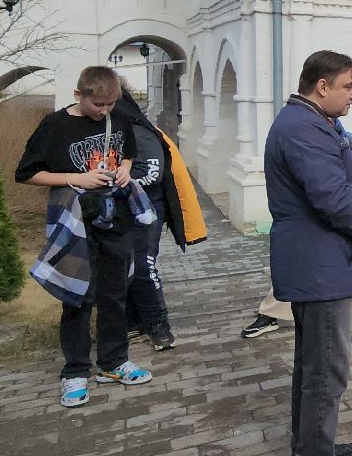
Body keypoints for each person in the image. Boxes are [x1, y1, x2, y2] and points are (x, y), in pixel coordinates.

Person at [267, 49, 352, 456]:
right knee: (327, 367)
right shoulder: (302, 128)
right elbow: (331, 196)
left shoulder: (313, 122)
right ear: (322, 86)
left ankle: (311, 448)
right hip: (319, 265)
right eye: (348, 86)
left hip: (322, 261)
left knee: (315, 361)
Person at [16, 66, 153, 408]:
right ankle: (75, 370)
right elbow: (28, 174)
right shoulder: (56, 125)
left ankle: (113, 361)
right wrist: (77, 178)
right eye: (99, 105)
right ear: (79, 96)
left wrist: (124, 169)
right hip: (75, 220)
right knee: (77, 296)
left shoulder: (118, 118)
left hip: (115, 218)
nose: (105, 111)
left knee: (115, 292)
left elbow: (129, 155)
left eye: (110, 105)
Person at [114, 89, 208, 352]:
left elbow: (152, 173)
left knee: (144, 266)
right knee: (123, 267)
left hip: (147, 211)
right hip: (120, 211)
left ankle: (158, 325)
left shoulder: (140, 132)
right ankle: (133, 321)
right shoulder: (109, 132)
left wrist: (113, 184)